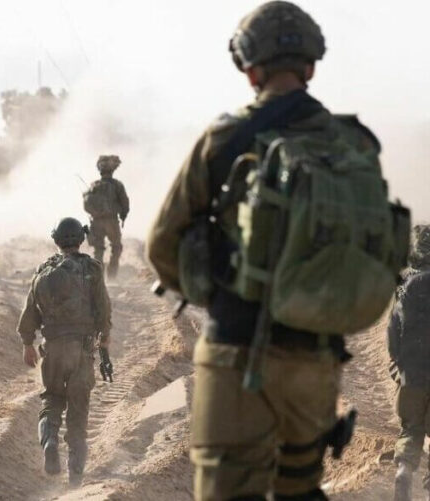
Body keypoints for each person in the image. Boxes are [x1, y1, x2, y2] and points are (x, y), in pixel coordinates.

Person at [147, 2, 399, 500]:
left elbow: (162, 245)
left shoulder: (224, 139)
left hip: (237, 351)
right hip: (316, 358)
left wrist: (217, 289)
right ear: (310, 66)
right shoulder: (355, 143)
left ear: (249, 69)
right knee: (300, 490)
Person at [17, 217, 111, 486]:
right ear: (81, 240)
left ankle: (49, 440)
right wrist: (105, 336)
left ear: (56, 240)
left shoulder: (43, 271)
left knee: (51, 401)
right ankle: (76, 476)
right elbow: (103, 306)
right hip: (82, 350)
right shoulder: (92, 269)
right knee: (78, 413)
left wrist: (27, 344)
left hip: (53, 349)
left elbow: (30, 312)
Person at [389, 224, 430, 501]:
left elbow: (393, 333)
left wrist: (398, 367)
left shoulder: (404, 286)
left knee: (411, 429)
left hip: (412, 375)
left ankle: (404, 469)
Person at [83, 155, 129, 279]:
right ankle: (112, 276)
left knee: (98, 250)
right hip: (112, 221)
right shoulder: (117, 185)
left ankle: (98, 278)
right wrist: (123, 215)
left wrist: (96, 214)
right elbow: (125, 203)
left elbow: (86, 204)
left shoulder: (94, 185)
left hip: (96, 222)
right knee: (116, 247)